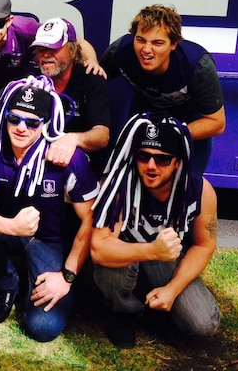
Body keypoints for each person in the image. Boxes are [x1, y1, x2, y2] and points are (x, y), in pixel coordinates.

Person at [0, 76, 99, 342]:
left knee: (42, 327)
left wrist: (66, 276)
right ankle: (8, 285)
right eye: (13, 119)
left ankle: (66, 284)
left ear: (45, 124)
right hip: (9, 228)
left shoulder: (67, 157)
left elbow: (90, 220)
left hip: (49, 241)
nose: (21, 128)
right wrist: (11, 226)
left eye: (32, 122)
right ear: (3, 116)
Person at [90, 112, 220, 348]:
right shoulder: (121, 185)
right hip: (128, 256)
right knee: (111, 268)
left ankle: (155, 304)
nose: (151, 166)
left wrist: (173, 289)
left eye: (162, 159)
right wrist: (152, 250)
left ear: (178, 161)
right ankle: (122, 311)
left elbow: (205, 244)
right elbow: (99, 248)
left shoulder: (200, 190)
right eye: (144, 156)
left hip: (167, 260)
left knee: (203, 323)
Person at [0, 18, 110, 173]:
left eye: (54, 48)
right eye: (41, 49)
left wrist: (73, 139)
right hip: (34, 166)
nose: (46, 55)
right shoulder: (31, 78)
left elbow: (102, 135)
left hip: (77, 166)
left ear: (74, 50)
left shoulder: (90, 78)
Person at [97, 4, 226, 175]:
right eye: (140, 40)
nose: (146, 50)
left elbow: (217, 123)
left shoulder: (197, 66)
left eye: (157, 43)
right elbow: (95, 81)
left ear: (174, 44)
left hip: (189, 120)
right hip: (145, 111)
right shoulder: (120, 51)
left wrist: (173, 133)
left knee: (189, 187)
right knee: (122, 178)